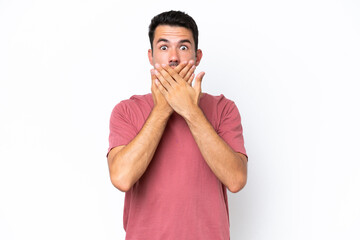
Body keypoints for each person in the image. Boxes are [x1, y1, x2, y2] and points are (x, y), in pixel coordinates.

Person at [107, 10, 248, 240]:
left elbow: (236, 180)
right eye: (164, 48)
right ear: (151, 57)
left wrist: (191, 111)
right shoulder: (127, 111)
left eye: (183, 47)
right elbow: (122, 178)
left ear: (197, 56)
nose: (173, 58)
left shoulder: (224, 109)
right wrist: (163, 108)